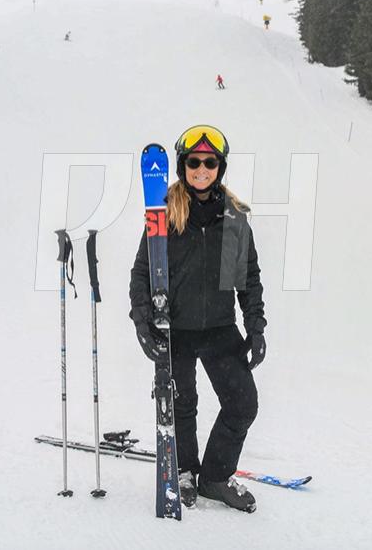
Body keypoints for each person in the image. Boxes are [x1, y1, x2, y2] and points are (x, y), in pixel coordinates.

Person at [129, 125, 267, 513]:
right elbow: (142, 274)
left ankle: (215, 477)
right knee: (182, 403)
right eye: (194, 162)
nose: (201, 169)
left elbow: (248, 280)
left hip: (221, 328)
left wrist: (255, 327)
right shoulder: (165, 214)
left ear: (220, 167)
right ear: (182, 166)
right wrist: (143, 322)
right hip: (177, 329)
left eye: (209, 162)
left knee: (243, 403)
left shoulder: (234, 218)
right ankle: (185, 471)